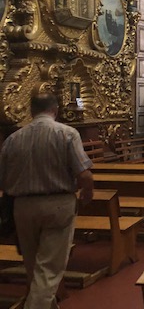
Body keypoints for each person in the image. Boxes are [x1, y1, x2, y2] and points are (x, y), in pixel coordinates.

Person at [0, 92, 94, 309]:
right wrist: (87, 193)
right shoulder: (67, 133)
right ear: (56, 110)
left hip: (22, 206)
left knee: (34, 267)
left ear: (31, 111)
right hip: (57, 204)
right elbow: (84, 174)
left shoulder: (13, 139)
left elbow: (3, 179)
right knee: (48, 271)